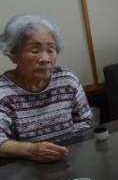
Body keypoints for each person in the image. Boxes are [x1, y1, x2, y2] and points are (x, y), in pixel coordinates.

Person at [0, 15, 93, 162]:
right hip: (24, 167)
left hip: (69, 159)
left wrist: (70, 152)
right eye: (34, 50)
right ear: (13, 55)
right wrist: (29, 150)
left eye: (50, 50)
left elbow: (85, 121)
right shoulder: (3, 92)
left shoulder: (67, 80)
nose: (45, 59)